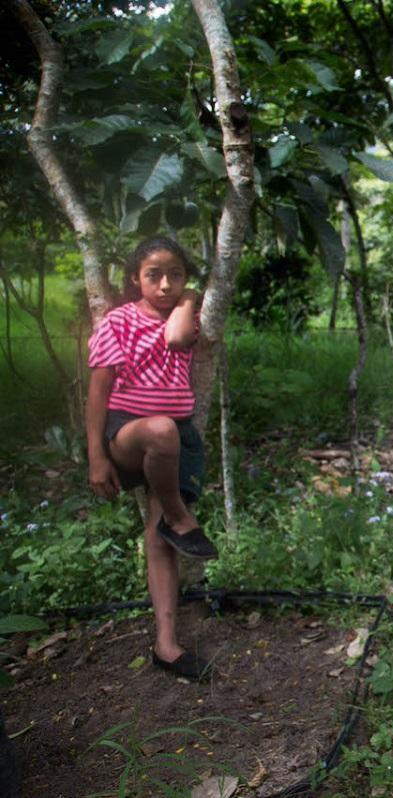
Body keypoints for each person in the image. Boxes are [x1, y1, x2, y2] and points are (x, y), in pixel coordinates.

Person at [86, 236, 217, 681]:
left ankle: (166, 644)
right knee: (160, 428)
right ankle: (180, 517)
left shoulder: (188, 317)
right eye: (153, 276)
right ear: (134, 279)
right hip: (128, 433)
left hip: (174, 440)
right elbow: (98, 392)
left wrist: (192, 296)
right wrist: (96, 457)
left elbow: (179, 338)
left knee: (159, 539)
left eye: (175, 275)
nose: (165, 285)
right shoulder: (118, 322)